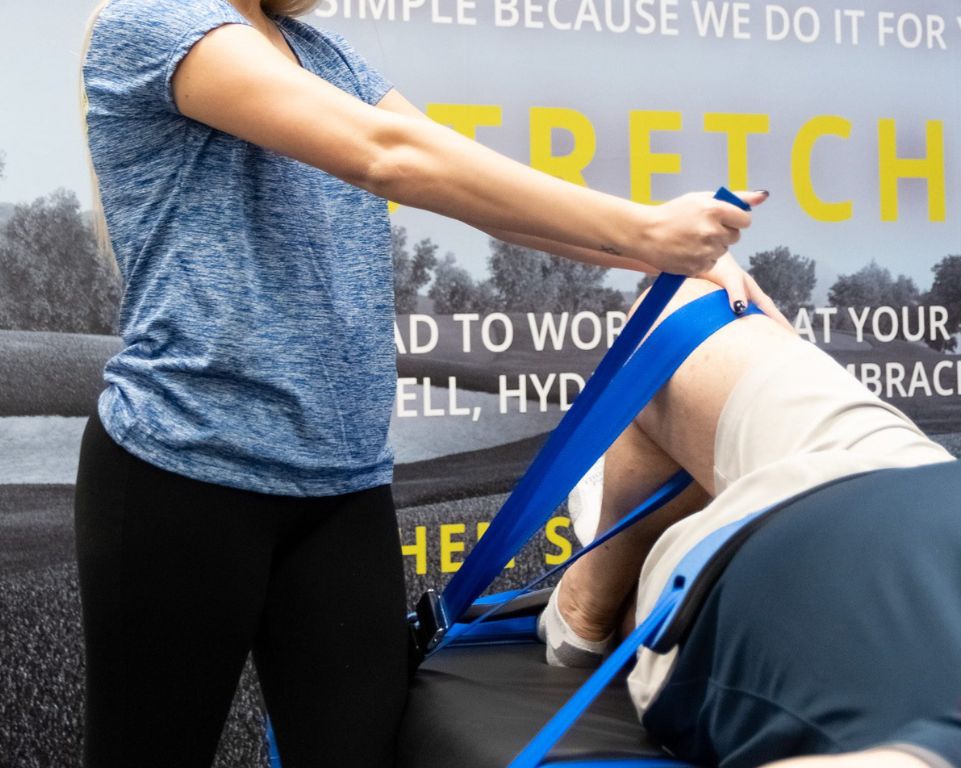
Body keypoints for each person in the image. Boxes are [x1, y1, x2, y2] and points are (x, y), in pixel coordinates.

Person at [75, 1, 790, 766]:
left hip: (339, 492)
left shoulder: (325, 54)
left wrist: (661, 255)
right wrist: (646, 232)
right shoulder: (153, 22)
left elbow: (477, 193)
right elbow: (386, 156)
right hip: (180, 478)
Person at [540, 278, 961, 767]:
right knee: (679, 308)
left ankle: (595, 604)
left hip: (784, 582)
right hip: (925, 479)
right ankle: (618, 575)